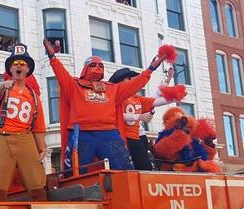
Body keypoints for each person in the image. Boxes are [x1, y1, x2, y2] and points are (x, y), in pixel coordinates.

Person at [43, 40, 166, 172]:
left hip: (108, 133)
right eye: (93, 65)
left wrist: (151, 68)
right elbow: (61, 74)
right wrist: (52, 58)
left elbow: (136, 83)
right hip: (82, 132)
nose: (98, 68)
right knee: (74, 172)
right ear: (85, 68)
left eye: (101, 65)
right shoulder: (74, 85)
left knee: (124, 170)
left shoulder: (112, 88)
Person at [0, 44, 47, 201]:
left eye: (23, 64)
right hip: (3, 136)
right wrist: (2, 84)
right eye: (15, 64)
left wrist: (42, 146)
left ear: (27, 70)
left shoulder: (33, 95)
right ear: (10, 70)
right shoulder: (5, 88)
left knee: (35, 175)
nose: (19, 66)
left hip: (24, 137)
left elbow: (38, 124)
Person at [109, 67, 178, 170]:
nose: (133, 81)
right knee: (126, 165)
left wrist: (175, 95)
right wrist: (139, 116)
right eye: (129, 78)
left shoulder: (137, 98)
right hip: (122, 137)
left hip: (138, 136)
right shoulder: (116, 97)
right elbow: (116, 115)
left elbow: (155, 99)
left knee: (144, 165)